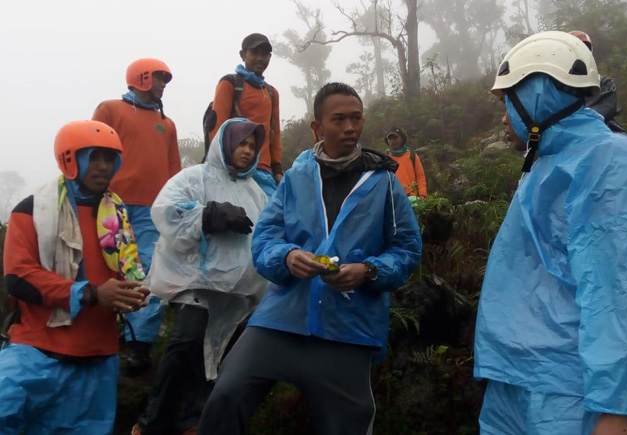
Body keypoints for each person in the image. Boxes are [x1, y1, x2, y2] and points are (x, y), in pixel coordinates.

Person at [474, 31, 627, 434]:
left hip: (581, 401)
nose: (502, 115)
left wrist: (621, 412)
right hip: (524, 385)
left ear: (536, 95)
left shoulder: (615, 164)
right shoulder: (549, 164)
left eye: (506, 100)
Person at [197, 83, 422, 435]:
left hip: (347, 327)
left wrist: (368, 270)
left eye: (356, 118)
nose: (350, 127)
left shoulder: (383, 183)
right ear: (317, 128)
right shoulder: (296, 178)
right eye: (339, 119)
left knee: (348, 421)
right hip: (281, 318)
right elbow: (265, 238)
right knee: (227, 393)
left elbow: (407, 248)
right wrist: (287, 257)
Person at [0, 120, 149, 434]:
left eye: (110, 159)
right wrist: (91, 293)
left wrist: (133, 295)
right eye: (93, 157)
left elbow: (126, 272)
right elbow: (18, 277)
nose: (103, 167)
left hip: (96, 361)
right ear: (70, 159)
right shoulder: (30, 210)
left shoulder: (117, 216)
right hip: (35, 353)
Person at [130, 118, 269, 435]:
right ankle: (151, 421)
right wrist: (208, 214)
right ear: (225, 144)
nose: (247, 151)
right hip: (195, 281)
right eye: (241, 144)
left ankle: (193, 420)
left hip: (235, 290)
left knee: (219, 353)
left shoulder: (256, 193)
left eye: (252, 146)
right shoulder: (195, 177)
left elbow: (266, 236)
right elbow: (165, 210)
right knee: (185, 344)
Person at [93, 58, 181, 375]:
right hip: (110, 204)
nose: (163, 85)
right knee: (103, 266)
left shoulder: (166, 123)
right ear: (141, 78)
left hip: (152, 210)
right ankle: (99, 334)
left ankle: (139, 346)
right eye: (159, 78)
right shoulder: (110, 109)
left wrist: (177, 202)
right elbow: (93, 150)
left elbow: (174, 171)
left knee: (152, 272)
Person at [205, 33, 283, 198]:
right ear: (243, 54)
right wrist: (222, 167)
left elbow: (274, 134)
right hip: (233, 170)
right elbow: (217, 129)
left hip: (263, 171)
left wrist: (277, 170)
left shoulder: (272, 93)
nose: (260, 58)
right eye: (255, 53)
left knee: (272, 219)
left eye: (265, 54)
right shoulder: (230, 84)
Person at [568, 30, 627, 135]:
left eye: (585, 49)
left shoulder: (602, 82)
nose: (581, 52)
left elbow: (604, 109)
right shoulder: (553, 82)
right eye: (576, 48)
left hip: (601, 132)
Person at [385, 126, 428, 198]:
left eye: (395, 138)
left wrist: (422, 195)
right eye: (390, 138)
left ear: (402, 139)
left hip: (411, 197)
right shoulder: (385, 157)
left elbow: (420, 176)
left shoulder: (412, 155)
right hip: (392, 198)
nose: (392, 141)